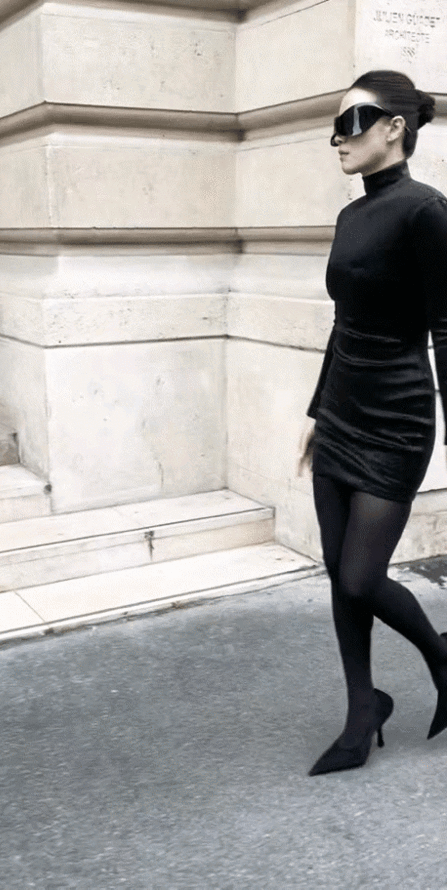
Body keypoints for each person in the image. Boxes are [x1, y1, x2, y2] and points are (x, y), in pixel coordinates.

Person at [298, 70, 447, 776]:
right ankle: (363, 711)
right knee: (338, 572)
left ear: (394, 127)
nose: (338, 137)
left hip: (397, 418)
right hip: (340, 415)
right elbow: (343, 324)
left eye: (352, 121)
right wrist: (315, 410)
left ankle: (442, 658)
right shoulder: (350, 217)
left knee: (361, 577)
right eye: (334, 125)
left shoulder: (427, 212)